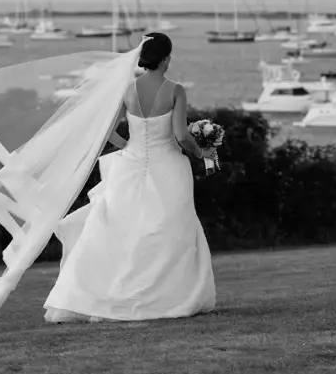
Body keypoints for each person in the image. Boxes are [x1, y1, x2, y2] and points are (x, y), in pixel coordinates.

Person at [42, 33, 217, 323]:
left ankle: (110, 295)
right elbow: (182, 135)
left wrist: (129, 146)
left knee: (124, 231)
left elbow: (107, 131)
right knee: (170, 229)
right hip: (169, 167)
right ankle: (168, 297)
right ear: (166, 59)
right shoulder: (175, 90)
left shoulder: (127, 89)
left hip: (129, 167)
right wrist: (203, 154)